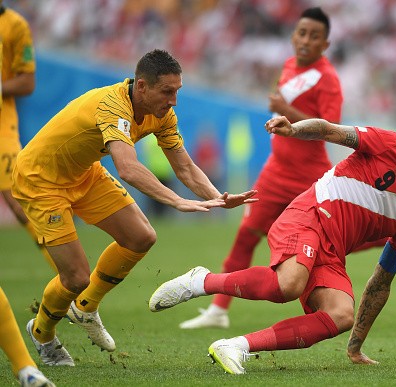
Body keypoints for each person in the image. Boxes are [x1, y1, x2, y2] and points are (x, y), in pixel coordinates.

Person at [179, 6, 396, 331]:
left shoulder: (329, 81)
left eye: (314, 37)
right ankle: (218, 310)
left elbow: (329, 129)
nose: (305, 41)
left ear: (325, 45)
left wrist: (286, 111)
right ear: (293, 36)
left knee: (342, 232)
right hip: (275, 170)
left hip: (310, 174)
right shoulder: (289, 66)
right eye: (301, 33)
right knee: (245, 236)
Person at [149, 115, 396, 374]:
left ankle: (236, 346)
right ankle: (201, 281)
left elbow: (381, 281)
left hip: (332, 250)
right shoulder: (390, 145)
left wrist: (356, 346)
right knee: (290, 284)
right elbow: (330, 130)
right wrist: (292, 130)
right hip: (309, 214)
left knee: (340, 315)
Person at [11, 49, 257, 367]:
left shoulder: (164, 114)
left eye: (177, 91)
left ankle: (85, 308)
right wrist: (176, 200)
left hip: (84, 173)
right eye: (167, 91)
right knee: (75, 277)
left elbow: (184, 167)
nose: (174, 100)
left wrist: (218, 197)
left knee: (141, 236)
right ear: (142, 86)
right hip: (40, 180)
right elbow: (127, 168)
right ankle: (43, 334)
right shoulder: (114, 104)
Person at [1, 38, 55, 387]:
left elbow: (28, 82)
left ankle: (24, 369)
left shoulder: (14, 25)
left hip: (4, 134)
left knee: (18, 205)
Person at [0, 1, 56, 272]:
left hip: (2, 126)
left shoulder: (14, 25)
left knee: (19, 199)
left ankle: (70, 280)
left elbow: (27, 82)